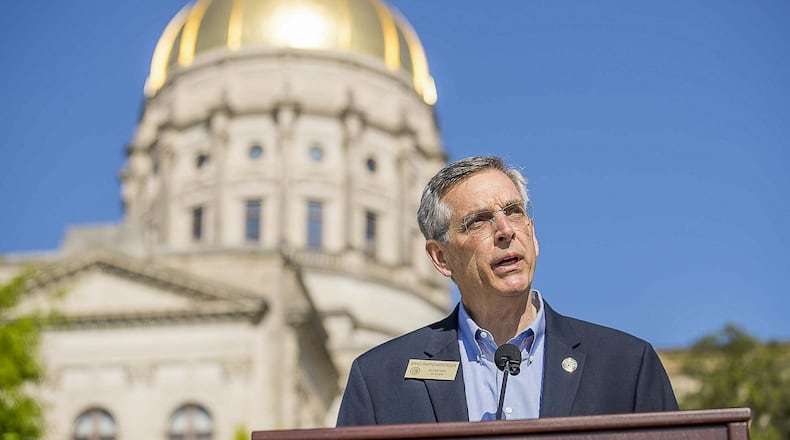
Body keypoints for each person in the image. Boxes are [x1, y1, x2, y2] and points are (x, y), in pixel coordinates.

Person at [336, 156, 677, 425]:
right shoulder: (380, 379)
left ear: (532, 232)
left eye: (514, 212)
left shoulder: (626, 366)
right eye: (479, 220)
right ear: (441, 258)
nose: (505, 230)